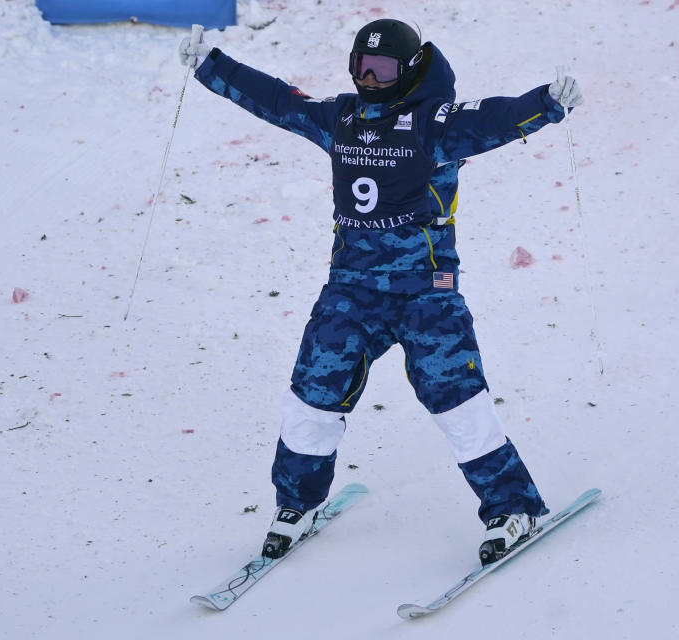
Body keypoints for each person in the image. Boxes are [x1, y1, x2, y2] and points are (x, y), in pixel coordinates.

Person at [179, 18, 583, 566]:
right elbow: (276, 100)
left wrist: (548, 104)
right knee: (311, 397)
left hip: (427, 292)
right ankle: (296, 505)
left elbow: (496, 119)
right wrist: (211, 66)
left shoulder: (434, 125)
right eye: (360, 68)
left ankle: (513, 508)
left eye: (383, 69)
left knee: (457, 401)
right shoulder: (341, 117)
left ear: (410, 69)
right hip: (351, 289)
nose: (370, 79)